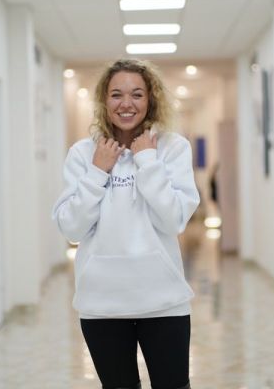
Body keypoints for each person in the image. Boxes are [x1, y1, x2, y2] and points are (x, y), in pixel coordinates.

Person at [52, 59, 200, 389]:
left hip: (163, 300)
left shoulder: (173, 148)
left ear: (151, 99)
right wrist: (97, 171)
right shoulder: (83, 154)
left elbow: (174, 219)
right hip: (101, 302)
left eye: (137, 94)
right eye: (117, 94)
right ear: (104, 101)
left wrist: (147, 160)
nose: (126, 104)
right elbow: (71, 228)